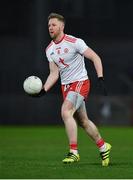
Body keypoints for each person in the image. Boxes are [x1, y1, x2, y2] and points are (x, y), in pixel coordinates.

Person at [38, 12, 112, 166]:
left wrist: (100, 77)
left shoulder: (74, 42)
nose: (50, 28)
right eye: (49, 25)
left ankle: (74, 152)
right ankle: (104, 146)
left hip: (80, 83)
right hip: (66, 87)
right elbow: (54, 73)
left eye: (54, 25)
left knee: (66, 111)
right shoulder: (49, 49)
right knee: (83, 122)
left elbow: (95, 57)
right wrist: (43, 90)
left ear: (62, 26)